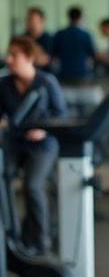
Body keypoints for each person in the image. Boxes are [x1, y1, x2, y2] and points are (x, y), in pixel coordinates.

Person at [0, 36, 66, 254]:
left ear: (28, 57)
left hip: (43, 144)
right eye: (8, 55)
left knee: (33, 186)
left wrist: (44, 129)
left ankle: (41, 242)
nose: (8, 59)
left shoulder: (47, 82)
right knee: (3, 182)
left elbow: (61, 115)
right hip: (14, 142)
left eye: (14, 55)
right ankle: (12, 238)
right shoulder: (4, 84)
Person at [51, 6, 96, 85]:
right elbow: (93, 54)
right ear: (81, 17)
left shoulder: (59, 34)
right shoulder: (86, 35)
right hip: (82, 73)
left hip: (63, 73)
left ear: (68, 17)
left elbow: (53, 55)